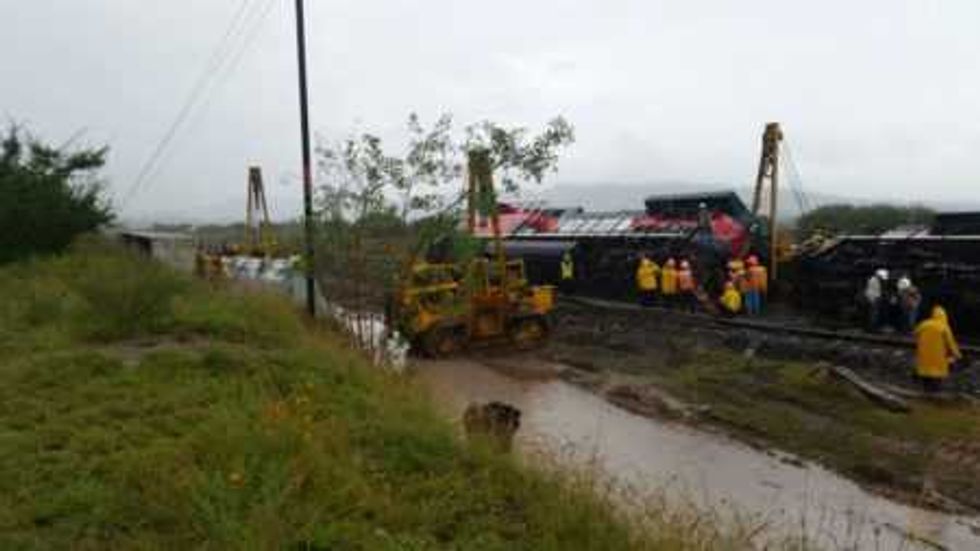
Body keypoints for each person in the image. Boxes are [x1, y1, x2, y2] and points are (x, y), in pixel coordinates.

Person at [914, 306, 962, 393]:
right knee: (936, 380)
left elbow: (915, 333)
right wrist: (958, 355)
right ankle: (934, 396)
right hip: (938, 359)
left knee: (926, 378)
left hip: (924, 358)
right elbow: (951, 343)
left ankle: (926, 394)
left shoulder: (924, 324)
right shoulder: (944, 327)